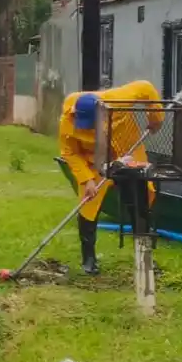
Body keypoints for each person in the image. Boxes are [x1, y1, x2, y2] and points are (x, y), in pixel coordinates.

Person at [58, 79, 164, 275]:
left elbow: (146, 88)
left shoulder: (119, 99)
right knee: (88, 204)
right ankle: (88, 258)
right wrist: (87, 179)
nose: (88, 128)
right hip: (93, 163)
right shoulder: (68, 120)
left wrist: (155, 117)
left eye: (92, 124)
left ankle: (144, 257)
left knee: (140, 201)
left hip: (128, 152)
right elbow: (69, 153)